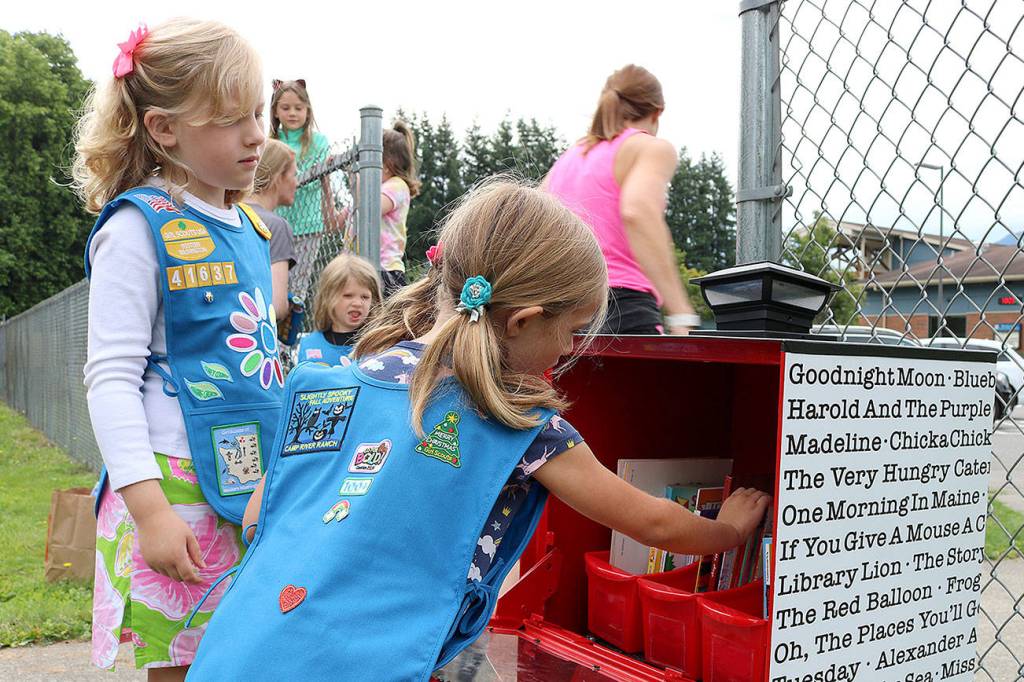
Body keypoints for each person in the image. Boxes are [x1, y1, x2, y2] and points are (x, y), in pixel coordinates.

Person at [187, 181, 770, 680]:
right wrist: (728, 530)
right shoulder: (522, 425)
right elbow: (651, 520)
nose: (570, 350)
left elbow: (258, 514)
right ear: (523, 320)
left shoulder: (339, 382)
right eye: (572, 332)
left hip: (247, 647)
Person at [73, 19, 285, 679]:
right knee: (184, 666)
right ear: (165, 129)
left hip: (254, 481)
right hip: (176, 487)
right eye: (229, 119)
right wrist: (151, 511)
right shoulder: (139, 228)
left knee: (247, 657)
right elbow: (110, 377)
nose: (256, 133)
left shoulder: (252, 226)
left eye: (258, 112)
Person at [545, 64, 701, 336]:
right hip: (622, 308)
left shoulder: (569, 158)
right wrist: (679, 312)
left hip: (559, 311)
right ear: (657, 112)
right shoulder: (650, 148)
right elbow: (637, 211)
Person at [324, 121, 420, 297]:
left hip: (385, 269)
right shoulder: (364, 193)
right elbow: (332, 223)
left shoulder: (397, 185)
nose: (362, 163)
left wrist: (354, 173)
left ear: (390, 161)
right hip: (356, 269)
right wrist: (326, 181)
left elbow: (371, 210)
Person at [268, 79, 331, 296]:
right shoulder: (269, 143)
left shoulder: (319, 143)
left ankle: (291, 327)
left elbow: (314, 176)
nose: (292, 113)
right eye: (285, 108)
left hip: (308, 225)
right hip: (273, 223)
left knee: (297, 287)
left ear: (308, 111)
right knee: (273, 281)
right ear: (275, 111)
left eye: (298, 108)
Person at [297, 253, 382, 365]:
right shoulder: (309, 345)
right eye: (348, 295)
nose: (357, 303)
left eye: (365, 297)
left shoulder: (378, 345)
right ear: (328, 296)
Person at [245, 138, 298, 316]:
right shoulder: (275, 226)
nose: (296, 183)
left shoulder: (230, 210)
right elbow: (275, 305)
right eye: (294, 175)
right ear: (278, 177)